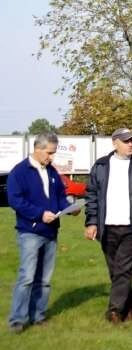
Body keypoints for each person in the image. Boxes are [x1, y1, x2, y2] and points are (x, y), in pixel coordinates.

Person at [7, 132, 80, 333]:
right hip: (30, 232)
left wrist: (70, 208)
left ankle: (38, 316)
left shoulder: (52, 171)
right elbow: (15, 200)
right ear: (37, 149)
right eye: (49, 153)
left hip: (51, 232)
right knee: (27, 277)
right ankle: (17, 320)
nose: (51, 157)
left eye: (53, 153)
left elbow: (59, 198)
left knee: (45, 280)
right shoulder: (19, 172)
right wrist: (40, 214)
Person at [85, 128, 132, 323]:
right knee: (116, 271)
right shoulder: (100, 166)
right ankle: (129, 306)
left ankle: (114, 311)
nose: (131, 144)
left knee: (123, 269)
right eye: (126, 141)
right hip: (107, 227)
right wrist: (91, 222)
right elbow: (91, 195)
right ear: (115, 143)